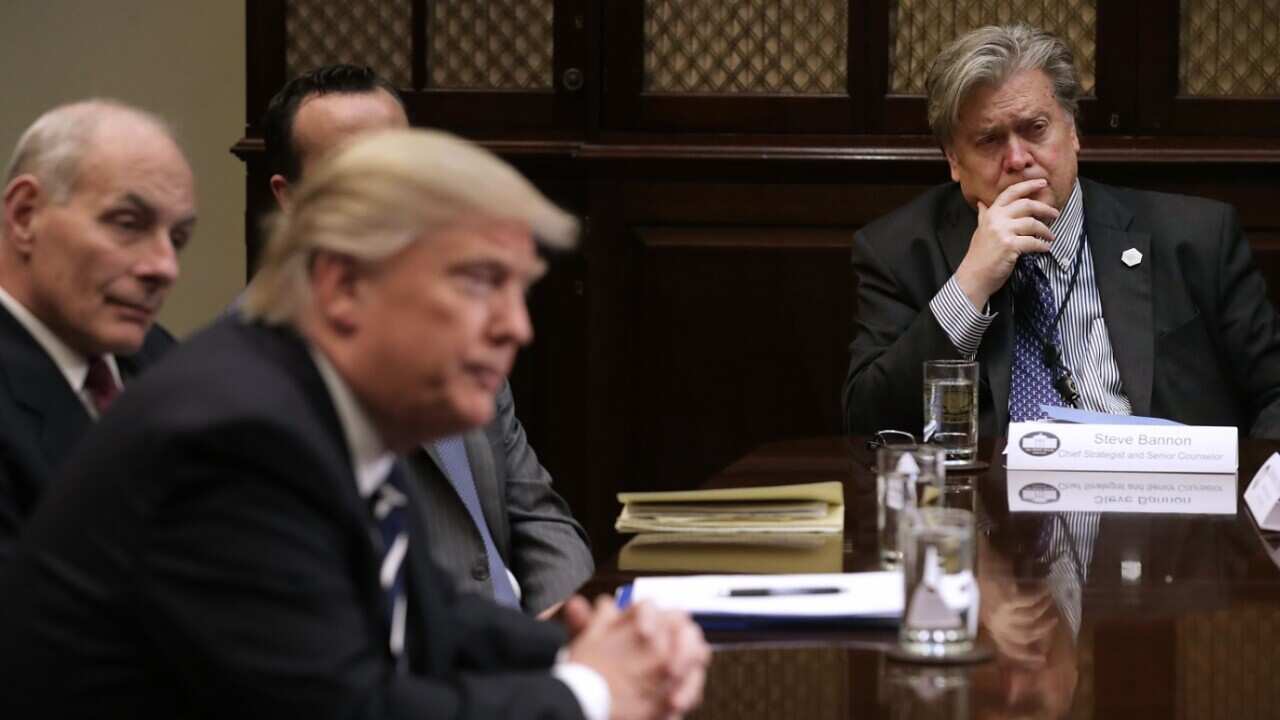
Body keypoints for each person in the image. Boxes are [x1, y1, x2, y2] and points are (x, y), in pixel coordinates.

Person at [0, 128, 709, 718]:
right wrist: (588, 692)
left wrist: (596, 645)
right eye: (479, 283)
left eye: (520, 291)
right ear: (343, 287)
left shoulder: (327, 401)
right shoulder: (240, 435)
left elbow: (427, 616)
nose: (516, 328)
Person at [261, 64, 592, 616]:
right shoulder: (267, 383)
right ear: (291, 197)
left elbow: (537, 514)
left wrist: (574, 625)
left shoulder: (452, 322)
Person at [843, 24, 1280, 439]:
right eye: (990, 140)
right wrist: (970, 284)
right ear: (954, 160)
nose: (1018, 159)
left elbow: (1274, 393)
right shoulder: (900, 252)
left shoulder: (1195, 237)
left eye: (1035, 129)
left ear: (1072, 132)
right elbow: (868, 423)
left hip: (1160, 486)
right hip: (992, 490)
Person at [0, 100, 195, 561]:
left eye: (177, 239)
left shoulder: (166, 362)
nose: (165, 267)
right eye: (128, 225)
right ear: (25, 215)